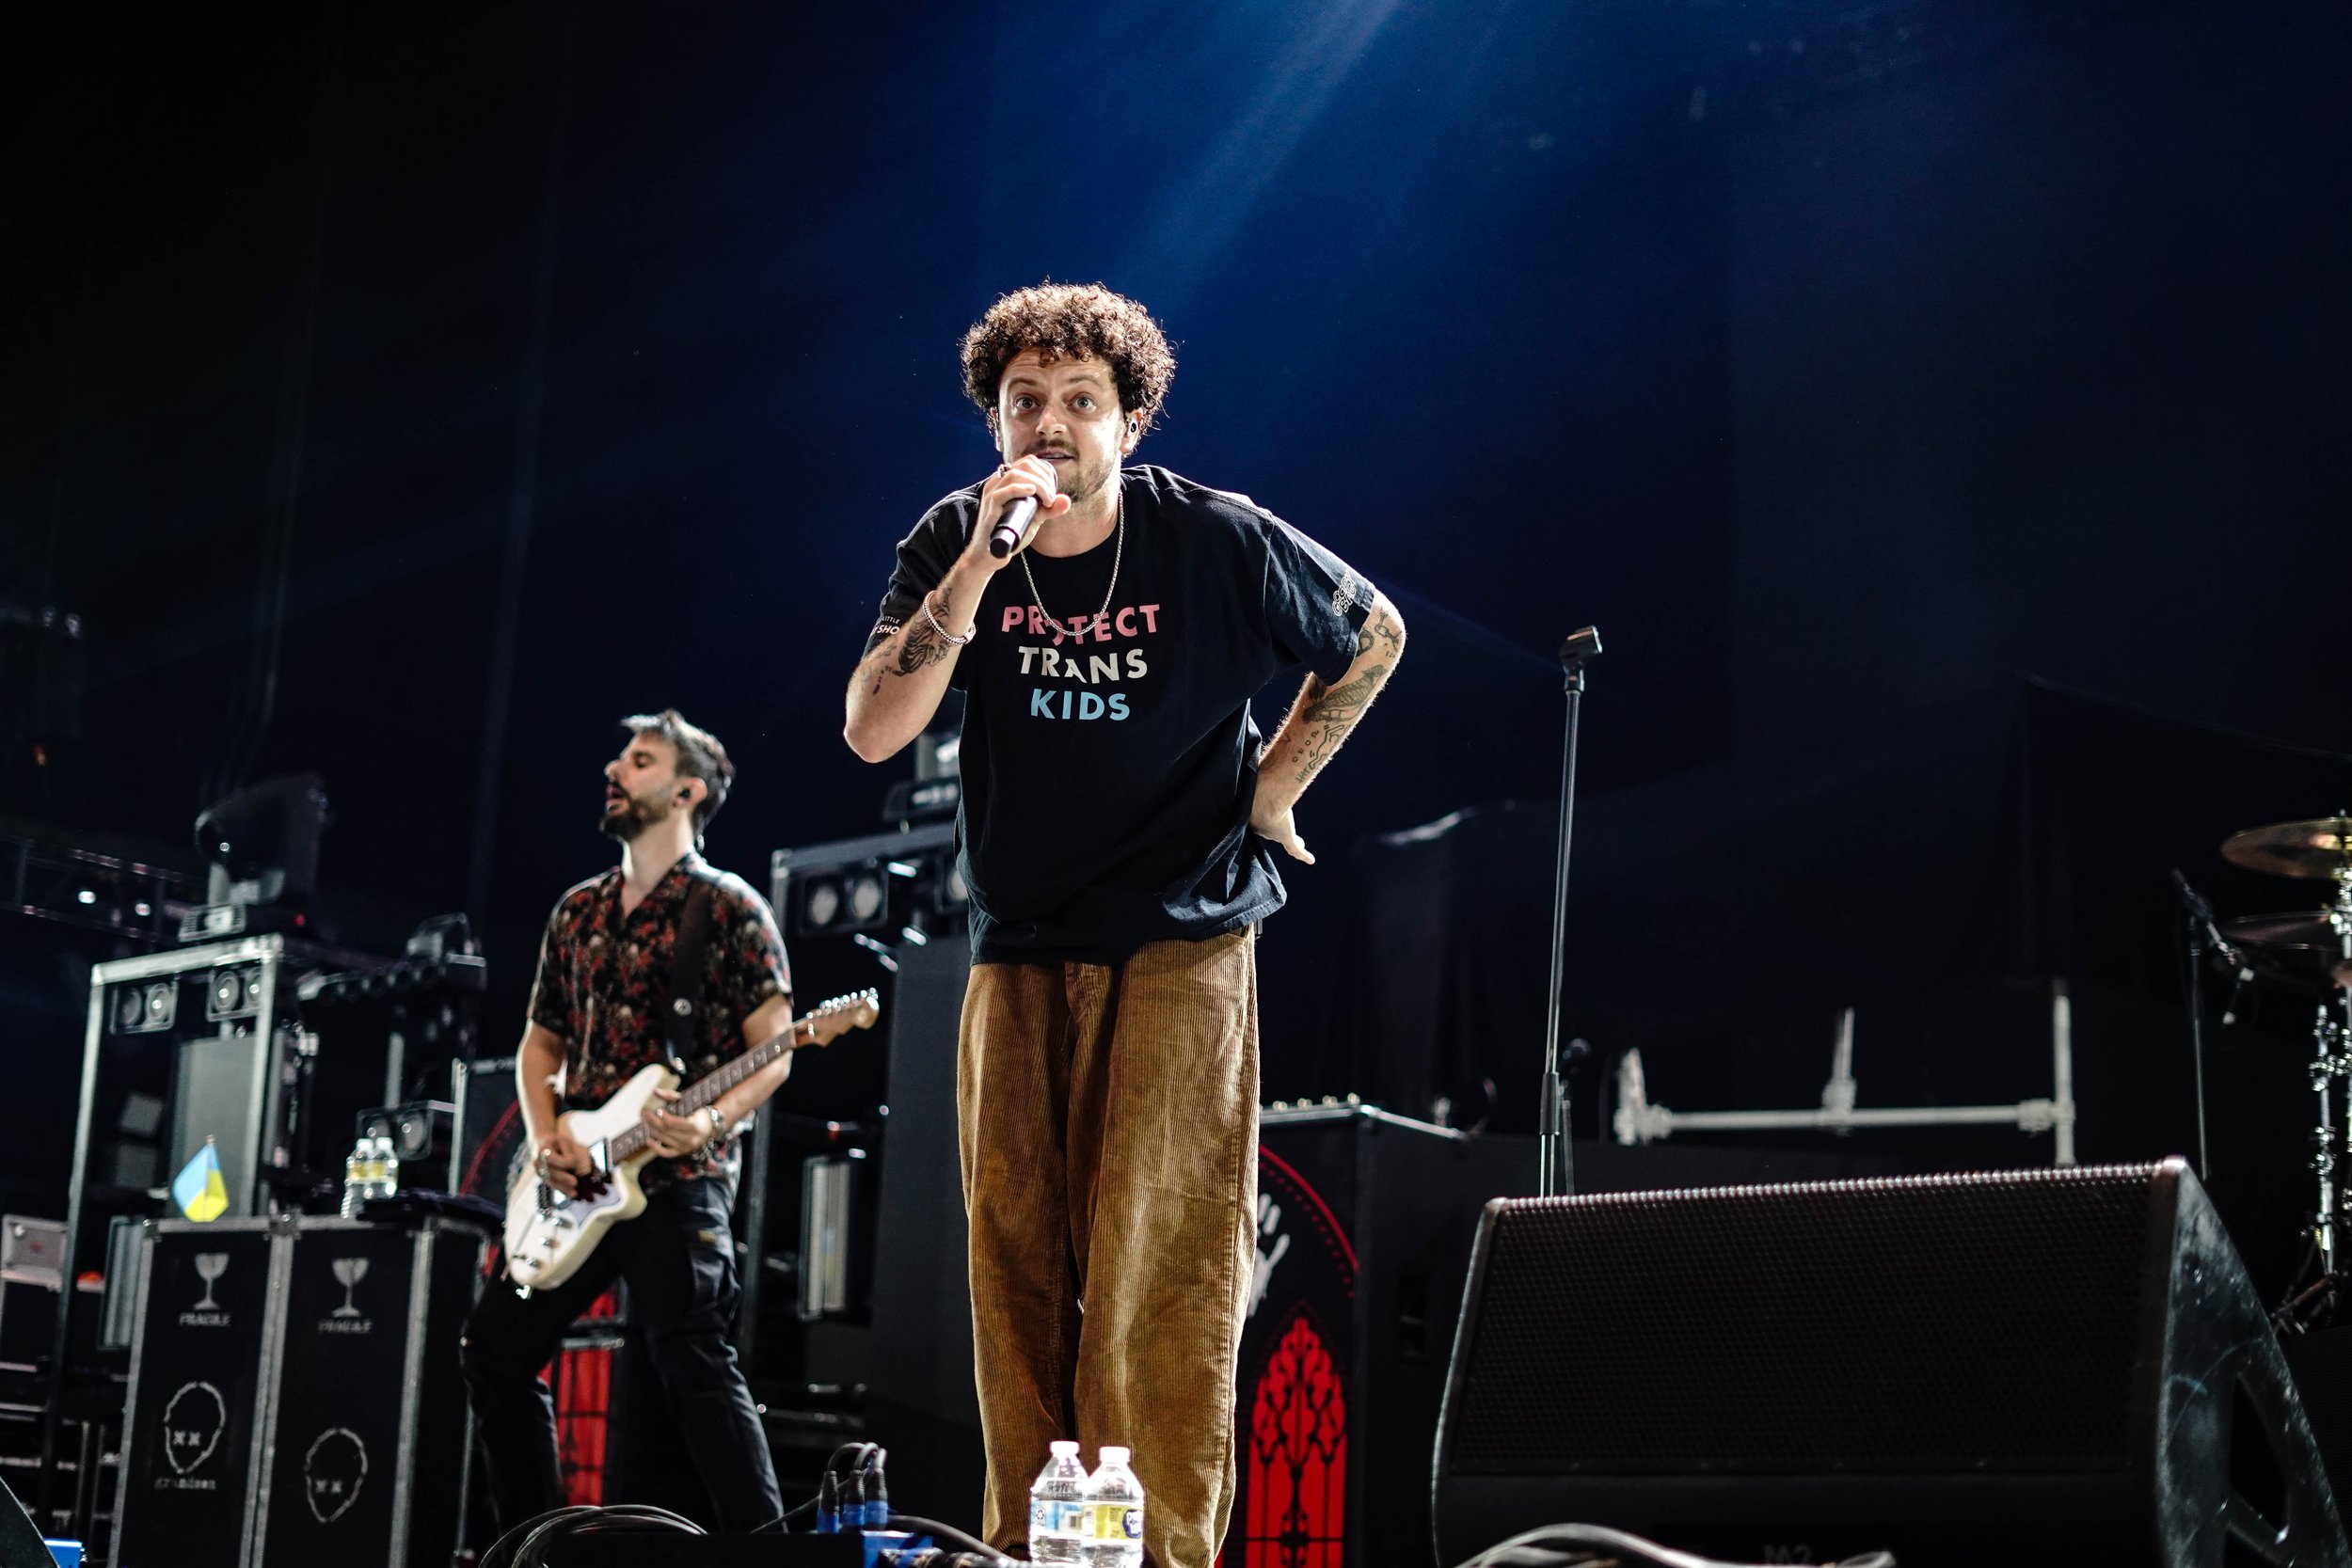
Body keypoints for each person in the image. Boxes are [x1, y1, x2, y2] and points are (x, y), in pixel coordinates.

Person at [843, 282, 1406, 1567]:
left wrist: (1276, 785)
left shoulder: (1214, 535)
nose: (1048, 426)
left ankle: (1153, 1555)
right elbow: (876, 725)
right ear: (994, 420)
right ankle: (1028, 1548)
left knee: (1156, 1268)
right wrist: (979, 567)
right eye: (1023, 402)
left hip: (1181, 935)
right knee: (1015, 1267)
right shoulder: (955, 536)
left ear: (1131, 422)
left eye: (1078, 403)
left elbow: (1374, 631)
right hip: (1021, 944)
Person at [460, 709, 793, 1535]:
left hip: (679, 1178)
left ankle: (767, 1554)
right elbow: (538, 1048)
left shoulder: (728, 908)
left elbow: (778, 1048)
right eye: (619, 756)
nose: (614, 768)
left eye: (638, 760)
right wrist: (548, 1138)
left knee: (694, 1364)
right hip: (578, 1179)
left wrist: (710, 1115)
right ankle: (535, 1547)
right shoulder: (576, 911)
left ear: (688, 790)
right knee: (492, 1352)